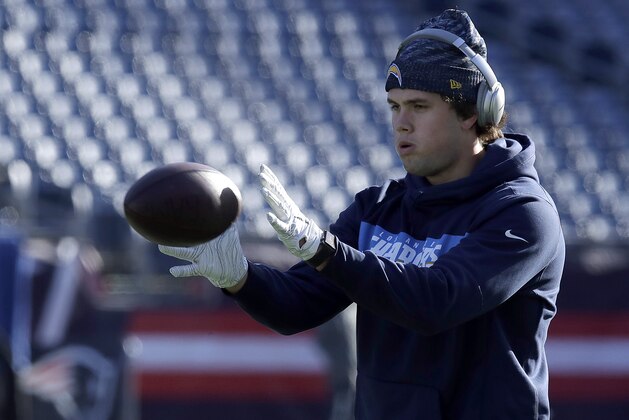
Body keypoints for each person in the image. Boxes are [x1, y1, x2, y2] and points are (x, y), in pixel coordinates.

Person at [158, 9, 565, 420]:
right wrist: (241, 278)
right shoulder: (378, 207)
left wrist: (327, 251)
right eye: (394, 106)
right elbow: (298, 306)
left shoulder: (523, 213)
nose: (400, 124)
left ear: (471, 113)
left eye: (419, 106)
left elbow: (438, 301)